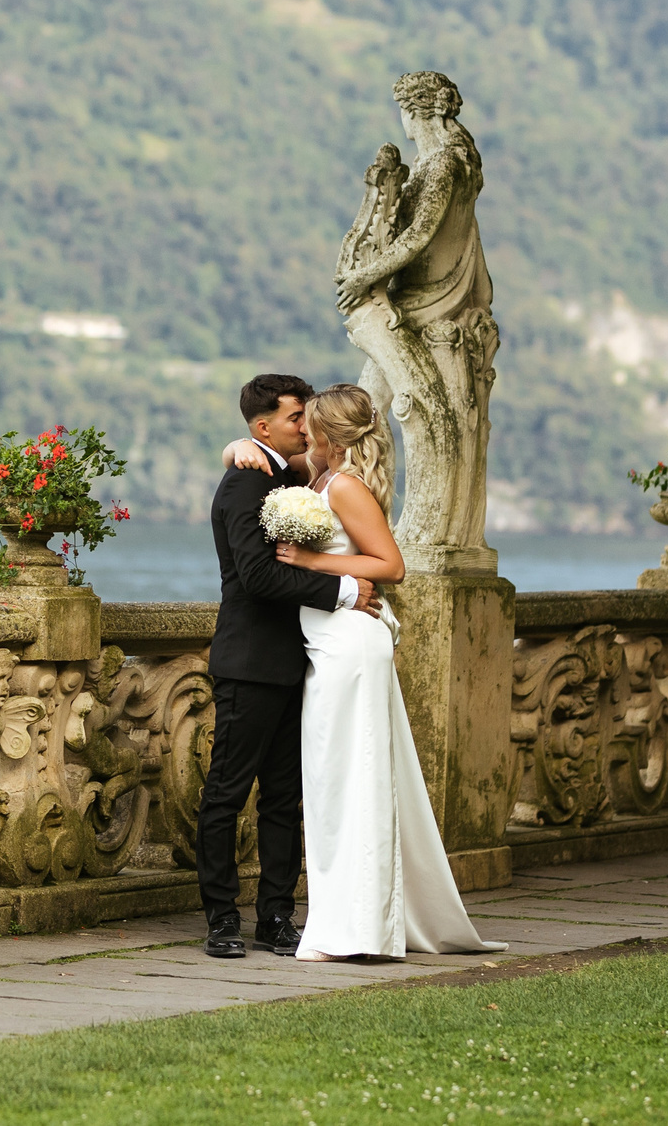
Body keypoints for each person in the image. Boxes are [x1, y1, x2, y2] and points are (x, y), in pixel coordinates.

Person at [228, 385, 505, 960]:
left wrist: (313, 561)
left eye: (309, 426)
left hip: (351, 643)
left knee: (349, 779)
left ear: (327, 436)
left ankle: (359, 927)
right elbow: (258, 450)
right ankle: (350, 918)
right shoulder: (320, 476)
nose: (302, 432)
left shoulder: (346, 486)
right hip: (326, 643)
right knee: (332, 783)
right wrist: (235, 447)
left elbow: (391, 566)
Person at [196, 373, 377, 960]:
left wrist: (234, 443)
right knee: (227, 794)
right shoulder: (244, 486)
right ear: (263, 426)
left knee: (283, 799)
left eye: (307, 417)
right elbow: (258, 576)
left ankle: (276, 919)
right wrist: (347, 592)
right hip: (249, 661)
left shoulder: (289, 475)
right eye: (297, 417)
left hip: (296, 660)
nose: (308, 426)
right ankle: (221, 920)